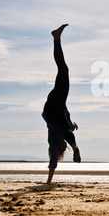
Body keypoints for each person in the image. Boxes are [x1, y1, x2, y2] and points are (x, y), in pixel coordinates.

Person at [41, 24, 81, 184]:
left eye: (64, 149)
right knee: (63, 69)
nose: (65, 147)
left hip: (53, 109)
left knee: (63, 70)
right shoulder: (67, 128)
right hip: (55, 106)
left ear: (58, 148)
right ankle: (56, 38)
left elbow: (52, 163)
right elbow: (68, 128)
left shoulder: (53, 140)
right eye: (68, 148)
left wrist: (48, 182)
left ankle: (56, 38)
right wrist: (73, 124)